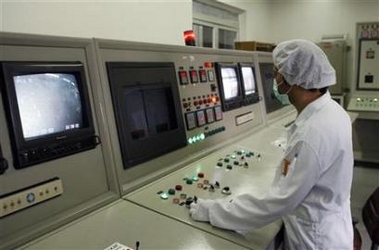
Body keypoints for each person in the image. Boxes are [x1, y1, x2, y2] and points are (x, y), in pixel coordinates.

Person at [189, 39, 354, 249]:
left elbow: (277, 203)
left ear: (294, 78)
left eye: (277, 72)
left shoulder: (312, 134)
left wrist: (212, 211)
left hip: (315, 239)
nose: (274, 79)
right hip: (332, 225)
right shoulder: (333, 111)